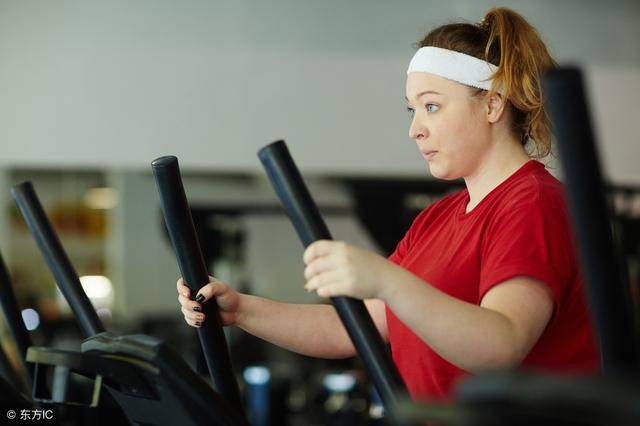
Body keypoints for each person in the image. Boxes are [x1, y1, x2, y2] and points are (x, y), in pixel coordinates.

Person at [177, 7, 599, 402]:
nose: (415, 129)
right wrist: (244, 309)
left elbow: (500, 344)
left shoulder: (533, 204)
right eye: (412, 110)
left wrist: (387, 281)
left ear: (492, 104)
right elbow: (353, 329)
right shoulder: (439, 218)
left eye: (432, 106)